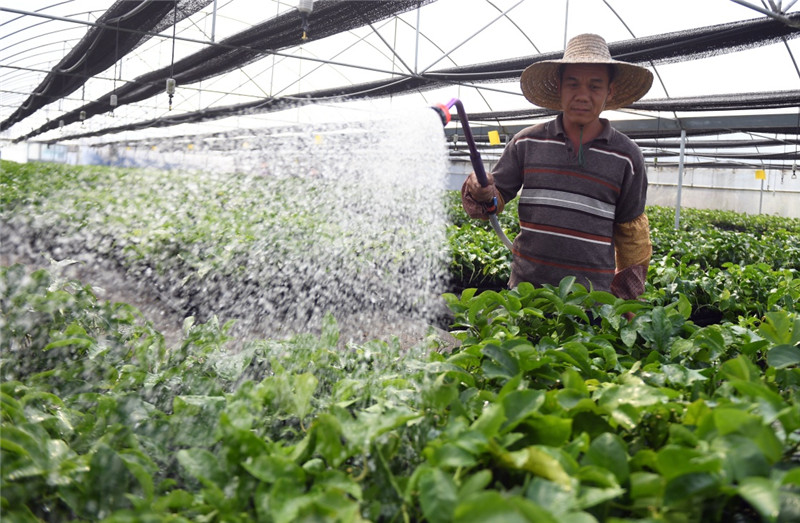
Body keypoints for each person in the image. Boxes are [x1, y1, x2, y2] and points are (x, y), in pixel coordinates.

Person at [462, 33, 653, 300]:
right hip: (526, 294)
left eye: (595, 86)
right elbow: (495, 198)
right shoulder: (526, 142)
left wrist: (628, 299)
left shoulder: (628, 157)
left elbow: (631, 234)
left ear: (609, 92)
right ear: (559, 88)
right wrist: (482, 193)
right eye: (572, 84)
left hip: (591, 302)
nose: (582, 96)